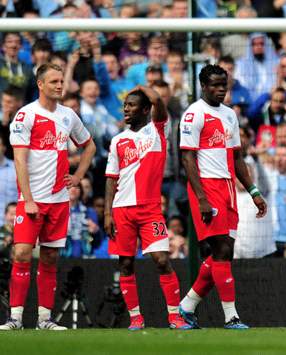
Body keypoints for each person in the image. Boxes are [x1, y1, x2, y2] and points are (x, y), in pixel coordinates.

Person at [0, 63, 96, 331]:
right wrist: (28, 198)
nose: (59, 85)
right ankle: (15, 318)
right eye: (53, 81)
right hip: (32, 200)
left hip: (58, 199)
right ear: (40, 84)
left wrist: (77, 177)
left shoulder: (68, 116)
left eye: (60, 81)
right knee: (21, 253)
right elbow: (19, 159)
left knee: (50, 258)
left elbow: (89, 146)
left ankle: (45, 319)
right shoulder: (25, 116)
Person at [178, 65, 267, 329]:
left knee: (224, 254)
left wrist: (253, 191)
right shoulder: (194, 114)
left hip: (228, 187)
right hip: (206, 187)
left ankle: (187, 306)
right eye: (215, 85)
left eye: (223, 86)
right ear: (203, 86)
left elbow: (237, 156)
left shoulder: (229, 115)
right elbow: (187, 157)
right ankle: (231, 316)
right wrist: (202, 197)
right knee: (222, 249)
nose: (220, 90)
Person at [104, 85, 191, 331]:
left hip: (150, 210)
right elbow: (111, 178)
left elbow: (159, 103)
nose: (126, 110)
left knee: (162, 260)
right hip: (122, 209)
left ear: (144, 109)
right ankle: (135, 319)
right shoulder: (118, 140)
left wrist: (142, 86)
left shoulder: (157, 131)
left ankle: (175, 316)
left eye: (131, 105)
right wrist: (107, 213)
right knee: (126, 264)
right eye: (124, 106)